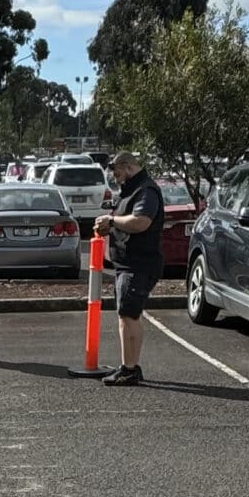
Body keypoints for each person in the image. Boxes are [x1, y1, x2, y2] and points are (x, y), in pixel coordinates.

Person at [93, 149, 165, 386]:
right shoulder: (131, 190)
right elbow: (127, 221)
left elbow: (141, 222)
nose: (114, 176)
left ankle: (130, 369)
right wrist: (111, 227)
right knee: (125, 314)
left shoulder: (146, 190)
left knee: (129, 315)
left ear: (127, 166)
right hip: (127, 263)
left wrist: (112, 221)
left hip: (139, 265)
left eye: (116, 171)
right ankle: (127, 366)